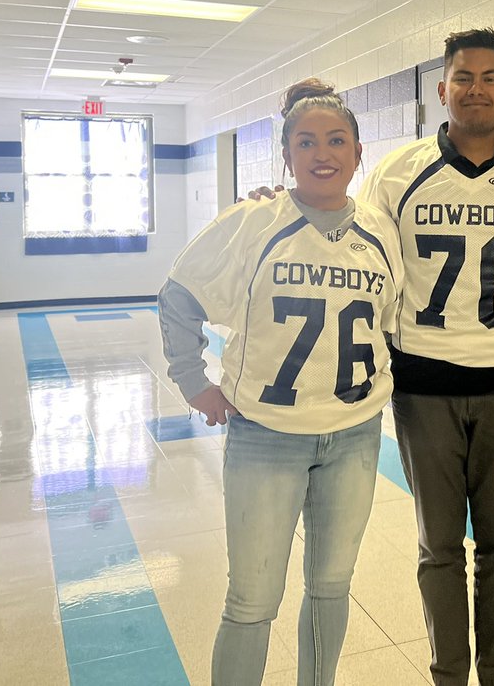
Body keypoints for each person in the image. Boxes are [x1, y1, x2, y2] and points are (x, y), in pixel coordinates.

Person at [157, 79, 404, 686]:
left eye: (337, 140)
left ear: (357, 151)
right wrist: (195, 384)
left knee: (329, 588)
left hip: (353, 434)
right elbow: (178, 295)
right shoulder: (254, 221)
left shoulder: (381, 229)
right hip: (266, 435)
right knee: (252, 600)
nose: (323, 153)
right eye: (307, 141)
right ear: (287, 156)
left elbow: (390, 324)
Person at [358, 28, 494, 686]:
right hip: (424, 389)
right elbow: (350, 245)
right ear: (442, 89)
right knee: (438, 547)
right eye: (463, 77)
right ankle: (447, 676)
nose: (476, 89)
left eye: (491, 77)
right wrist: (275, 208)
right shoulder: (397, 172)